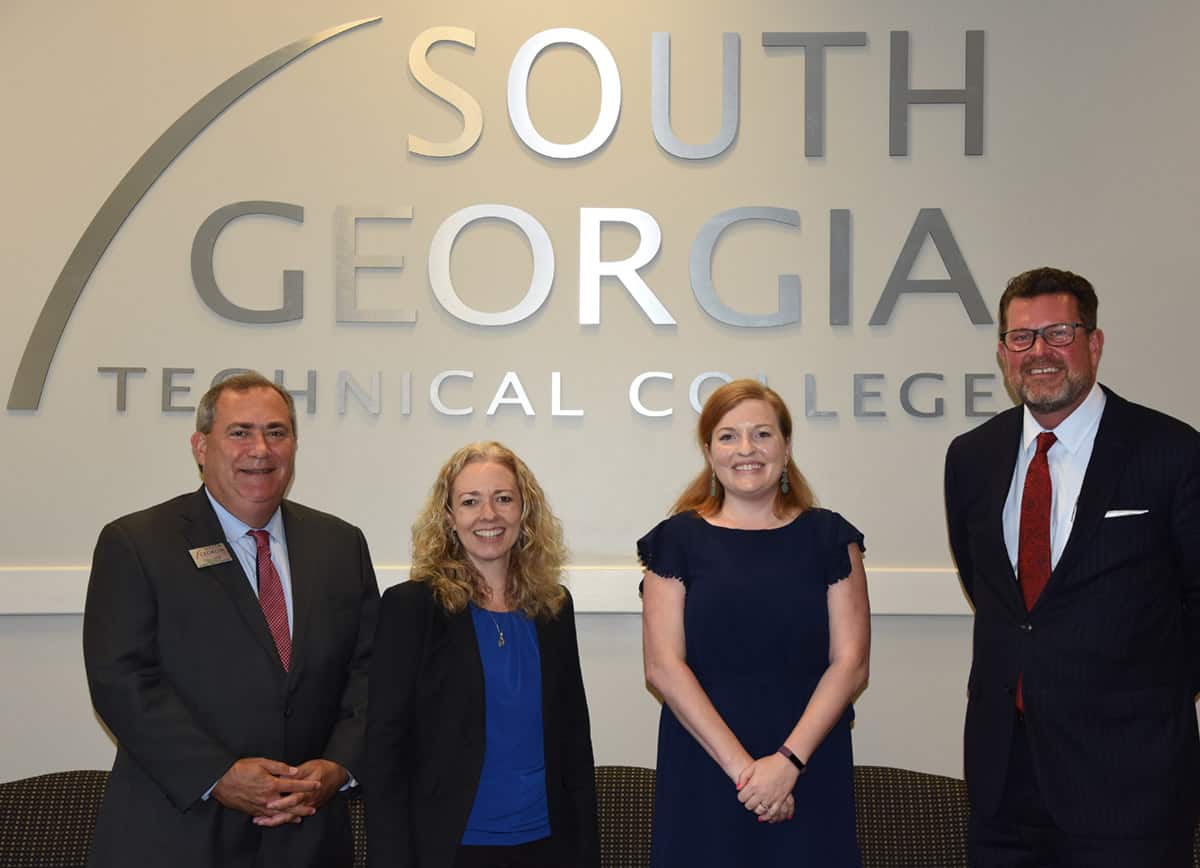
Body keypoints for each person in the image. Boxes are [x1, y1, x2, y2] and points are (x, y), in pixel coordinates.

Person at [944, 267, 1200, 867]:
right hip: (1004, 780)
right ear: (1003, 352)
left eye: (1058, 333)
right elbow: (992, 591)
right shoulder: (971, 458)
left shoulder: (1171, 452)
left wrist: (1147, 702)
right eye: (1021, 338)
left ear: (1095, 342)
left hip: (1129, 784)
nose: (1039, 353)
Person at [82, 371, 380, 868]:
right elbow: (121, 680)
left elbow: (370, 671)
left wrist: (338, 765)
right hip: (177, 833)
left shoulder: (340, 544)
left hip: (307, 834)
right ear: (201, 447)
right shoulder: (137, 543)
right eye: (239, 432)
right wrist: (217, 774)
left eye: (277, 432)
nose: (260, 449)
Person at [639, 379, 870, 867]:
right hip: (704, 768)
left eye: (762, 434)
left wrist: (786, 765)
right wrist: (750, 775)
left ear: (786, 449)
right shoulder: (676, 540)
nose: (746, 449)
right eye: (728, 436)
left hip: (809, 768)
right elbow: (663, 667)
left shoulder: (829, 537)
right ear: (709, 451)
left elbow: (850, 665)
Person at [367, 441, 598, 868]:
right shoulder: (411, 608)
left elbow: (574, 744)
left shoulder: (553, 606)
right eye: (470, 502)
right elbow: (384, 754)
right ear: (450, 518)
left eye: (503, 499)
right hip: (450, 847)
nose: (488, 515)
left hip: (548, 843)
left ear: (524, 512)